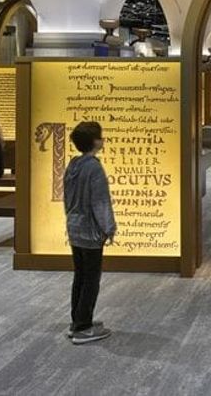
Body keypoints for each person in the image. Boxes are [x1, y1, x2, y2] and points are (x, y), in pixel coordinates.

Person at [64, 121, 116, 345]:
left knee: (80, 275)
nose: (102, 139)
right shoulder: (94, 167)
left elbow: (66, 197)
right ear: (95, 141)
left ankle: (77, 320)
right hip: (90, 230)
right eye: (100, 136)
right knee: (91, 278)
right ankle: (83, 327)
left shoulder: (73, 165)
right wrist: (109, 227)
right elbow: (100, 201)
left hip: (74, 226)